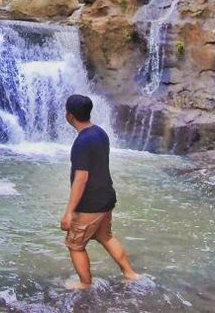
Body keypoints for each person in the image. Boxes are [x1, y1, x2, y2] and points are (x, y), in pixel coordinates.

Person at [61, 94, 139, 289]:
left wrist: (69, 212)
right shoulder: (100, 132)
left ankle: (85, 284)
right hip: (106, 198)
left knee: (75, 245)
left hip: (90, 204)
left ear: (69, 116)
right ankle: (130, 273)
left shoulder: (81, 143)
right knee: (105, 236)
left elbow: (81, 179)